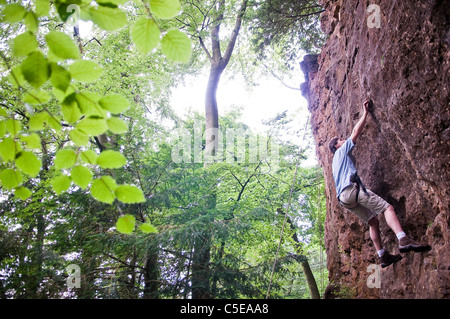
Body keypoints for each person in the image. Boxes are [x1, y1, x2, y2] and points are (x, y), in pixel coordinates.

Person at [328, 100, 431, 268]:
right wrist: (365, 113)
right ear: (336, 145)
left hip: (344, 199)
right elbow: (355, 132)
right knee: (387, 208)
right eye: (340, 139)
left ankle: (382, 256)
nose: (343, 139)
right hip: (352, 190)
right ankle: (403, 239)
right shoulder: (341, 151)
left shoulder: (335, 162)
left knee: (373, 221)